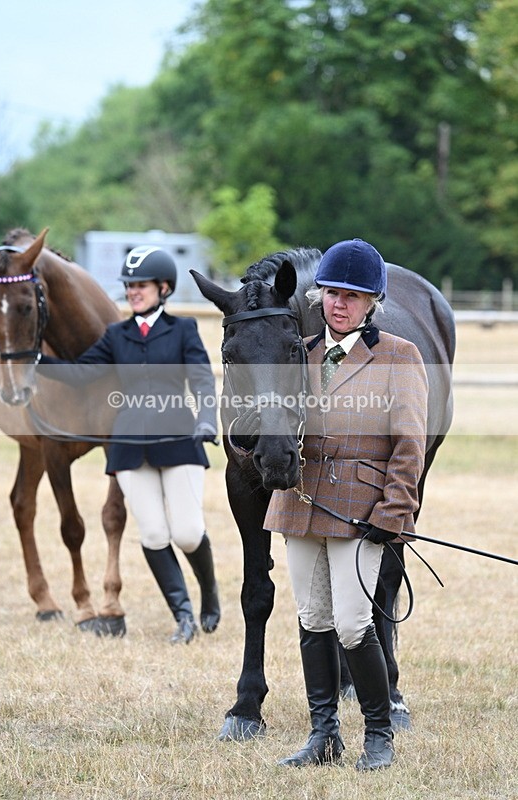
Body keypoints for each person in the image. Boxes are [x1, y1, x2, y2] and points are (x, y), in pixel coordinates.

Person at [262, 238, 428, 770]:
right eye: (332, 292)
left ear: (373, 302)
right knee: (312, 619)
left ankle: (378, 735)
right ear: (318, 296)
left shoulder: (399, 356)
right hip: (301, 505)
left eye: (353, 296)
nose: (339, 303)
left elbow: (410, 446)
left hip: (361, 512)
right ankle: (323, 734)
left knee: (355, 624)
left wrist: (393, 512)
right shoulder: (300, 354)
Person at [38, 245, 221, 645]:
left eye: (141, 285)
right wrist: (36, 362)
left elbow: (203, 379)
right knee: (153, 534)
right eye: (129, 286)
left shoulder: (184, 330)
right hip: (129, 449)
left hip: (178, 441)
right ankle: (184, 616)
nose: (133, 292)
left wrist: (207, 416)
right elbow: (83, 374)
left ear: (164, 288)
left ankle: (209, 594)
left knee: (188, 532)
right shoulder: (115, 336)